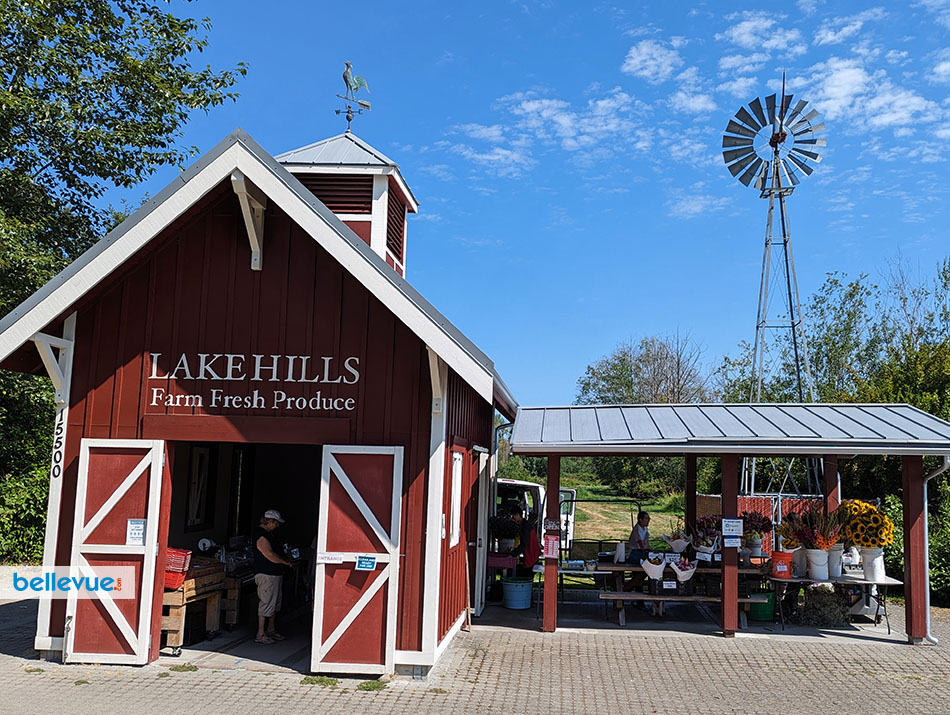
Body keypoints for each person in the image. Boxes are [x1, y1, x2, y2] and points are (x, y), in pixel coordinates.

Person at [253, 509, 291, 644]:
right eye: (276, 523)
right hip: (266, 574)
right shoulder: (261, 536)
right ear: (270, 521)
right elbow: (269, 554)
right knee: (266, 602)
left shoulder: (269, 535)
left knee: (274, 603)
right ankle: (260, 633)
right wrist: (284, 561)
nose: (277, 526)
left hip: (274, 573)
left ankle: (271, 629)